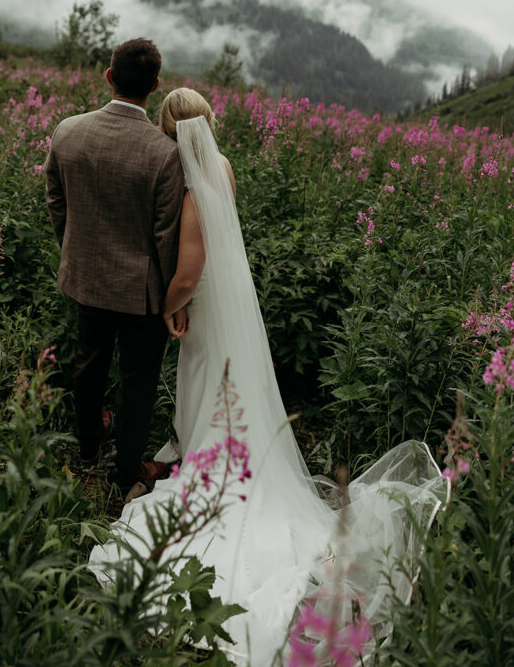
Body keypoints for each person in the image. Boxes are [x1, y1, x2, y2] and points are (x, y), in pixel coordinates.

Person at [89, 87, 447, 666]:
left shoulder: (187, 188)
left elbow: (191, 265)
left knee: (208, 385)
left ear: (169, 131)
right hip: (230, 300)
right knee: (232, 386)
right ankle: (220, 448)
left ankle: (212, 460)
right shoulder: (221, 166)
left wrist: (166, 304)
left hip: (203, 304)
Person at [45, 38, 186, 498]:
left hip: (86, 276)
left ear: (108, 77)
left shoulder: (68, 130)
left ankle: (87, 447)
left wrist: (75, 247)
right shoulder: (164, 152)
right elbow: (167, 234)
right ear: (156, 87)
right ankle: (126, 473)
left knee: (89, 360)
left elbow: (56, 199)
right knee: (138, 378)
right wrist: (170, 296)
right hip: (142, 289)